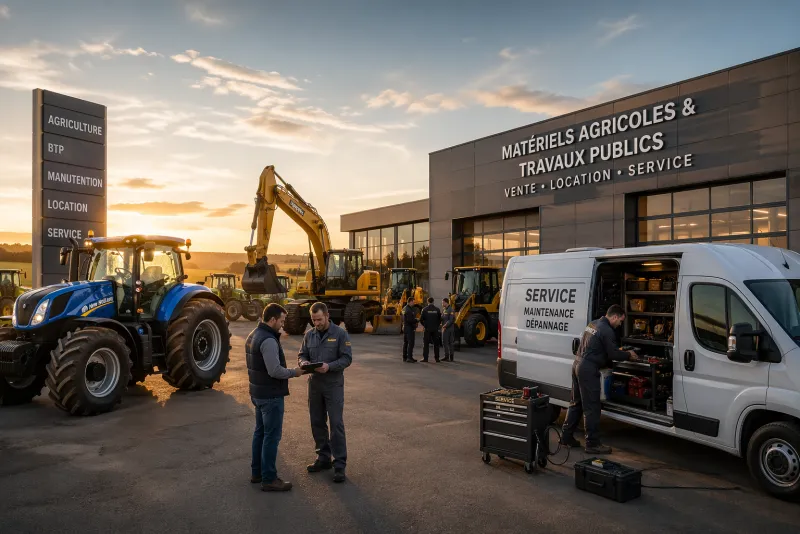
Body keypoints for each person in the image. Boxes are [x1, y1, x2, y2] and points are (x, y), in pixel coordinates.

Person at [560, 304, 638, 454]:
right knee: (592, 407)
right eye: (620, 321)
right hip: (588, 369)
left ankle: (566, 436)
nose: (619, 324)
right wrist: (629, 355)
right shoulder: (607, 330)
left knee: (576, 403)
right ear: (614, 316)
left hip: (577, 364)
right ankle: (592, 443)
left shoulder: (593, 323)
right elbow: (613, 354)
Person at [246, 303, 307, 492]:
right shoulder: (269, 340)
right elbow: (274, 370)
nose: (282, 325)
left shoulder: (253, 335)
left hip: (258, 393)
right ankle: (269, 478)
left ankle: (257, 473)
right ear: (272, 320)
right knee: (271, 437)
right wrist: (295, 372)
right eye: (281, 321)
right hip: (270, 396)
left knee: (260, 433)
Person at [298, 302, 353, 483]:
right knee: (317, 422)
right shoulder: (309, 335)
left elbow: (347, 358)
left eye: (319, 319)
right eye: (313, 320)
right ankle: (323, 458)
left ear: (327, 316)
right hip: (315, 385)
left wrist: (329, 366)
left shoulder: (340, 334)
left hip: (333, 385)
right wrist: (303, 363)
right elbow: (302, 354)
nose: (316, 323)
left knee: (336, 424)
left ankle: (339, 465)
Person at [420, 297, 442, 363]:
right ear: (433, 302)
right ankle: (437, 359)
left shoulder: (424, 309)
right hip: (435, 329)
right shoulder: (437, 309)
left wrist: (425, 325)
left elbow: (421, 319)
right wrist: (437, 326)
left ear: (428, 302)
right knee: (436, 344)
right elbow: (440, 319)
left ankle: (425, 358)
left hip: (427, 329)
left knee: (426, 344)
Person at [402, 297, 418, 363]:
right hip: (409, 328)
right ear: (410, 301)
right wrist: (416, 320)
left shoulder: (404, 308)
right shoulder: (408, 310)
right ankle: (409, 357)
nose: (414, 303)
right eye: (413, 302)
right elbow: (410, 320)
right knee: (410, 343)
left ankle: (405, 357)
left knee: (406, 343)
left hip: (405, 327)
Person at [440, 298, 455, 362]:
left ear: (446, 302)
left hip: (448, 329)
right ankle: (447, 356)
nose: (442, 304)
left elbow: (451, 320)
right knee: (446, 343)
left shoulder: (451, 309)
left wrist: (445, 325)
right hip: (445, 328)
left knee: (448, 343)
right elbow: (442, 318)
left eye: (443, 302)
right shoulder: (444, 310)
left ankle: (449, 357)